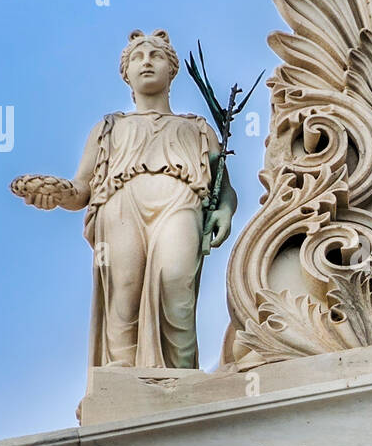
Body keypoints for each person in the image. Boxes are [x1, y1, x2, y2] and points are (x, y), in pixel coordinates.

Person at [18, 29, 236, 369]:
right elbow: (82, 188)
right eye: (137, 57)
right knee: (125, 286)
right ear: (127, 74)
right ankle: (121, 379)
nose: (146, 61)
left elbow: (224, 186)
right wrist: (59, 194)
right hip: (120, 207)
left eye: (156, 56)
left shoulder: (198, 129)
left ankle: (180, 379)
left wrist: (225, 208)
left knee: (176, 281)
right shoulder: (108, 127)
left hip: (179, 206)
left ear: (171, 70)